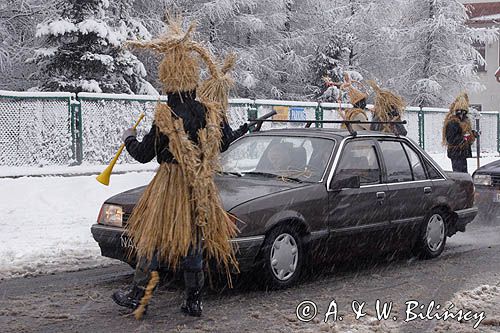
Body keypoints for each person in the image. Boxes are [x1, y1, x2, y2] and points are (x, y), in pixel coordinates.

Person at [111, 19, 248, 318]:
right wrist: (240, 132)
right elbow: (223, 144)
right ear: (193, 80)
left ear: (169, 81)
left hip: (168, 186)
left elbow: (145, 155)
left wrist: (129, 139)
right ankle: (194, 299)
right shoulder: (210, 111)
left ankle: (139, 295)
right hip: (200, 186)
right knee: (194, 242)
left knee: (153, 237)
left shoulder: (166, 114)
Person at [442, 92, 476, 173]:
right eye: (460, 112)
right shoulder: (452, 123)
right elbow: (451, 139)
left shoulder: (465, 123)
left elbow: (466, 135)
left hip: (462, 153)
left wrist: (472, 134)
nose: (462, 115)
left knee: (464, 174)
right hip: (456, 153)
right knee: (459, 174)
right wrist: (465, 138)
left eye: (464, 112)